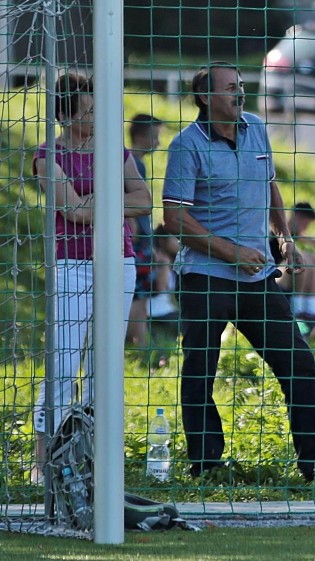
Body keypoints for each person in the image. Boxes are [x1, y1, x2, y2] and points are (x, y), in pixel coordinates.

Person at [161, 61, 315, 483]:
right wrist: (231, 252)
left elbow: (269, 184)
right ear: (205, 98)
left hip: (257, 277)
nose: (239, 93)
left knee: (298, 363)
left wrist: (284, 236)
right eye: (229, 88)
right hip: (206, 276)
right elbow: (174, 219)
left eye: (241, 86)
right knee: (201, 368)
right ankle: (206, 464)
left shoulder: (257, 127)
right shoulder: (186, 146)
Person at [31, 73, 152, 482]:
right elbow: (73, 212)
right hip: (73, 267)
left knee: (105, 367)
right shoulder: (49, 155)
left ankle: (98, 462)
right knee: (63, 365)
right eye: (88, 109)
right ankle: (44, 462)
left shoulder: (115, 152)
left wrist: (94, 200)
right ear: (65, 114)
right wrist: (109, 201)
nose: (98, 115)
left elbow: (146, 201)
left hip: (119, 263)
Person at [126, 114, 163, 347]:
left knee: (140, 296)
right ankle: (139, 344)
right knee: (137, 298)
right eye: (155, 136)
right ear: (140, 136)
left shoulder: (136, 162)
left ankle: (139, 342)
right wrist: (135, 235)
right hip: (136, 243)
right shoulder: (133, 163)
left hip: (141, 242)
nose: (158, 142)